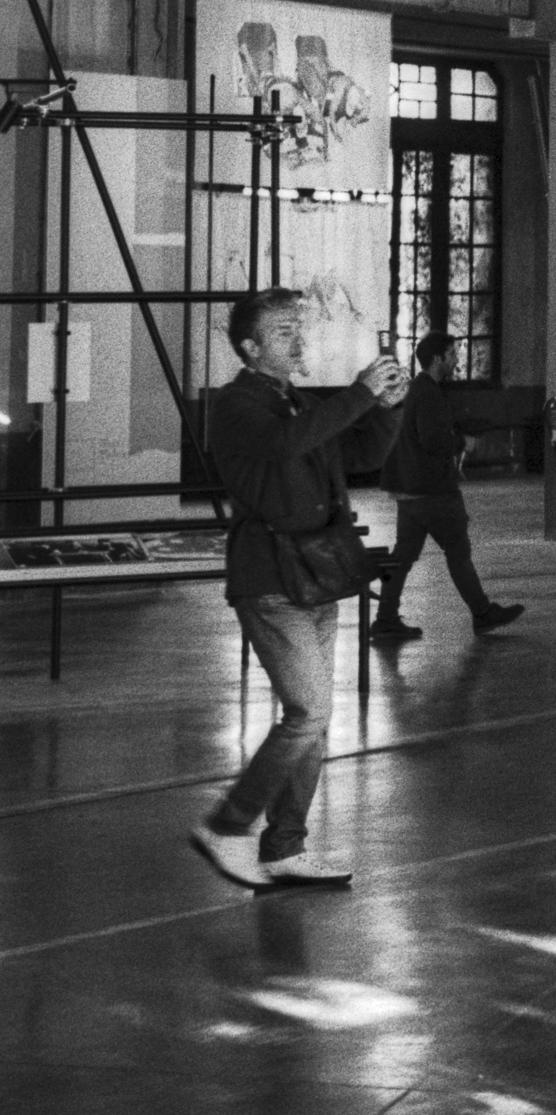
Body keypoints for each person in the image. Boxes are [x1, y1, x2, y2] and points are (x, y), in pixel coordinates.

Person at [191, 288, 405, 891]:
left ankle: (284, 846)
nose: (297, 338)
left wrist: (387, 406)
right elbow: (288, 446)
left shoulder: (297, 403)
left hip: (317, 573)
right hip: (269, 577)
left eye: (297, 328)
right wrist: (360, 394)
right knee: (309, 712)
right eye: (282, 331)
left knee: (313, 716)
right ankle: (226, 828)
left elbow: (359, 451)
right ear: (251, 347)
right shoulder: (236, 407)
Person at [369, 334, 524, 641]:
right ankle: (482, 613)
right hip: (433, 489)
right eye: (452, 354)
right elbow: (432, 440)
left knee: (403, 557)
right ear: (437, 359)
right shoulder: (428, 393)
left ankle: (385, 618)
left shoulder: (417, 389)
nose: (456, 359)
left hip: (410, 489)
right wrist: (461, 442)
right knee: (458, 551)